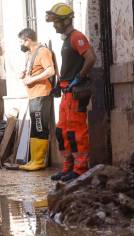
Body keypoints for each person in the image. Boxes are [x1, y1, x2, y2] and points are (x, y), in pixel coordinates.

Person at [46, 3, 96, 182]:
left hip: (75, 91)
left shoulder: (77, 37)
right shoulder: (67, 40)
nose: (54, 25)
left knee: (77, 131)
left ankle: (80, 169)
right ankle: (68, 168)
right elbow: (69, 66)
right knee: (63, 131)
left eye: (57, 22)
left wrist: (79, 77)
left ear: (66, 20)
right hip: (67, 90)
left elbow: (90, 58)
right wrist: (60, 85)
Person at [18, 28, 56, 171]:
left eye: (21, 41)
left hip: (41, 94)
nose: (21, 44)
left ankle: (39, 161)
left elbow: (50, 70)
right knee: (35, 126)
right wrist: (24, 74)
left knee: (39, 126)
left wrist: (32, 79)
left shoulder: (42, 51)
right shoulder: (31, 53)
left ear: (27, 40)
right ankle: (34, 159)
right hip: (33, 95)